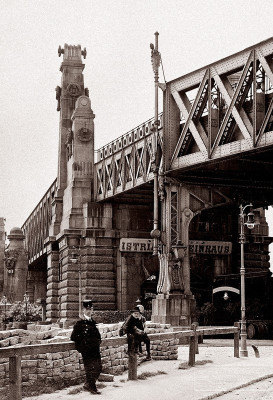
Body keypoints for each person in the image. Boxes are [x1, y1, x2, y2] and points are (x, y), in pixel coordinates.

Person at [71, 299, 102, 395]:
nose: (89, 311)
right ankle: (92, 387)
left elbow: (98, 336)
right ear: (83, 310)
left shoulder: (93, 322)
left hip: (95, 350)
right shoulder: (79, 324)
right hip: (86, 350)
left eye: (90, 309)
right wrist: (82, 347)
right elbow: (73, 337)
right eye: (87, 309)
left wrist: (98, 341)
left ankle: (88, 384)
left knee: (99, 368)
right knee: (89, 369)